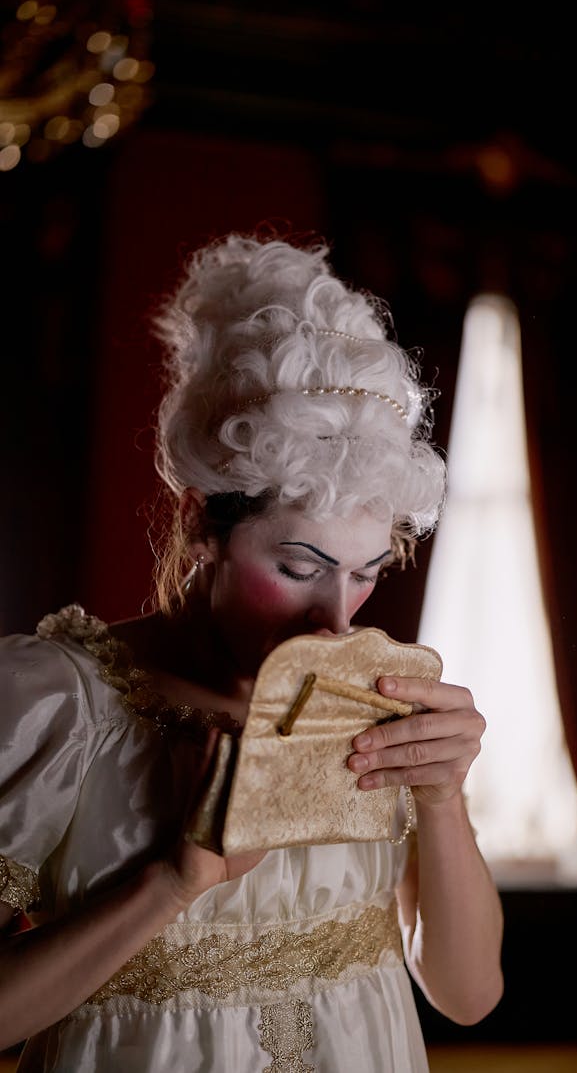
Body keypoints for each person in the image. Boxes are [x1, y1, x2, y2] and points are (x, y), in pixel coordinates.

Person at [0, 232, 504, 1071]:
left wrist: (445, 799)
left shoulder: (380, 705)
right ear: (201, 522)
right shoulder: (62, 704)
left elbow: (468, 993)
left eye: (366, 573)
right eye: (298, 565)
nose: (333, 617)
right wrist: (171, 881)